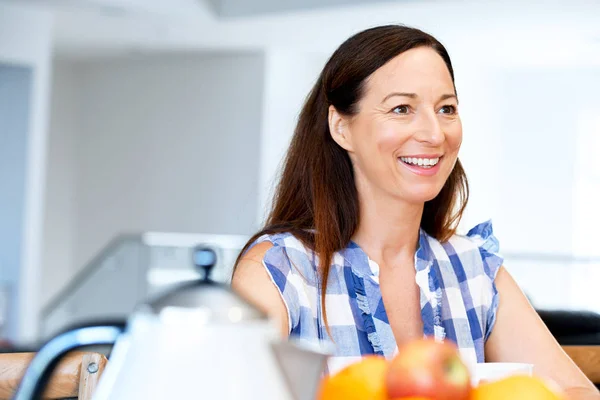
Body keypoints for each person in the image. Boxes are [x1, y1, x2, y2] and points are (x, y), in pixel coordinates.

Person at [232, 25, 599, 398]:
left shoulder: (474, 270)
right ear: (341, 128)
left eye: (446, 109)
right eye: (402, 108)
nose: (435, 133)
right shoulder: (278, 271)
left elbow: (580, 392)